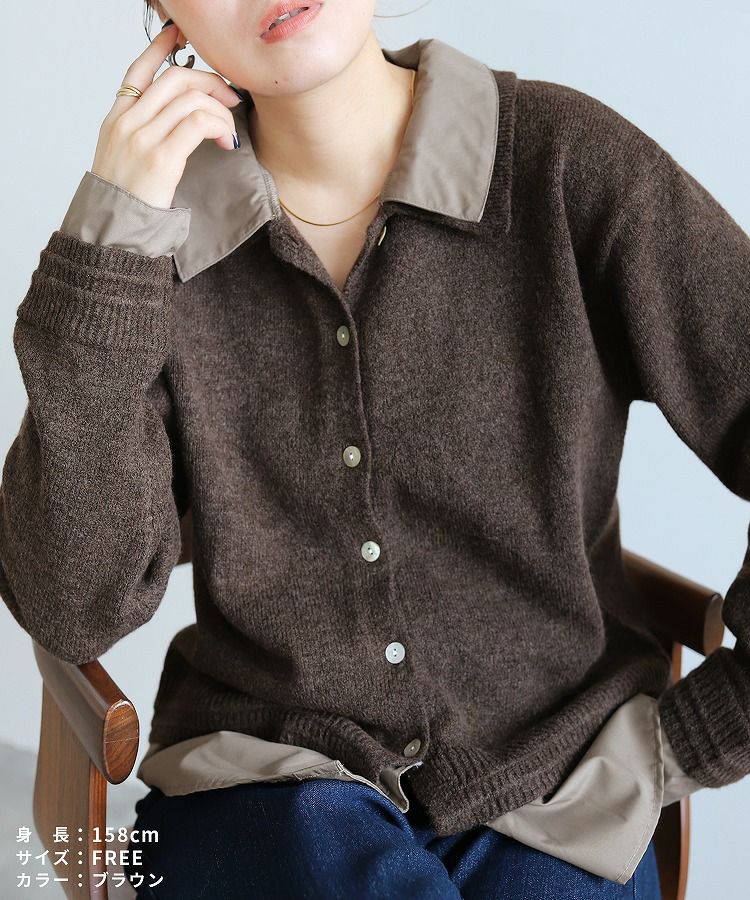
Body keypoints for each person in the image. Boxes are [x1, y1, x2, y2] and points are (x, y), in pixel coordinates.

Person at [3, 0, 749, 897]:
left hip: (567, 788)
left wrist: (698, 734)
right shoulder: (150, 238)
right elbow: (72, 609)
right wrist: (107, 246)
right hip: (263, 788)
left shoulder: (564, 163)